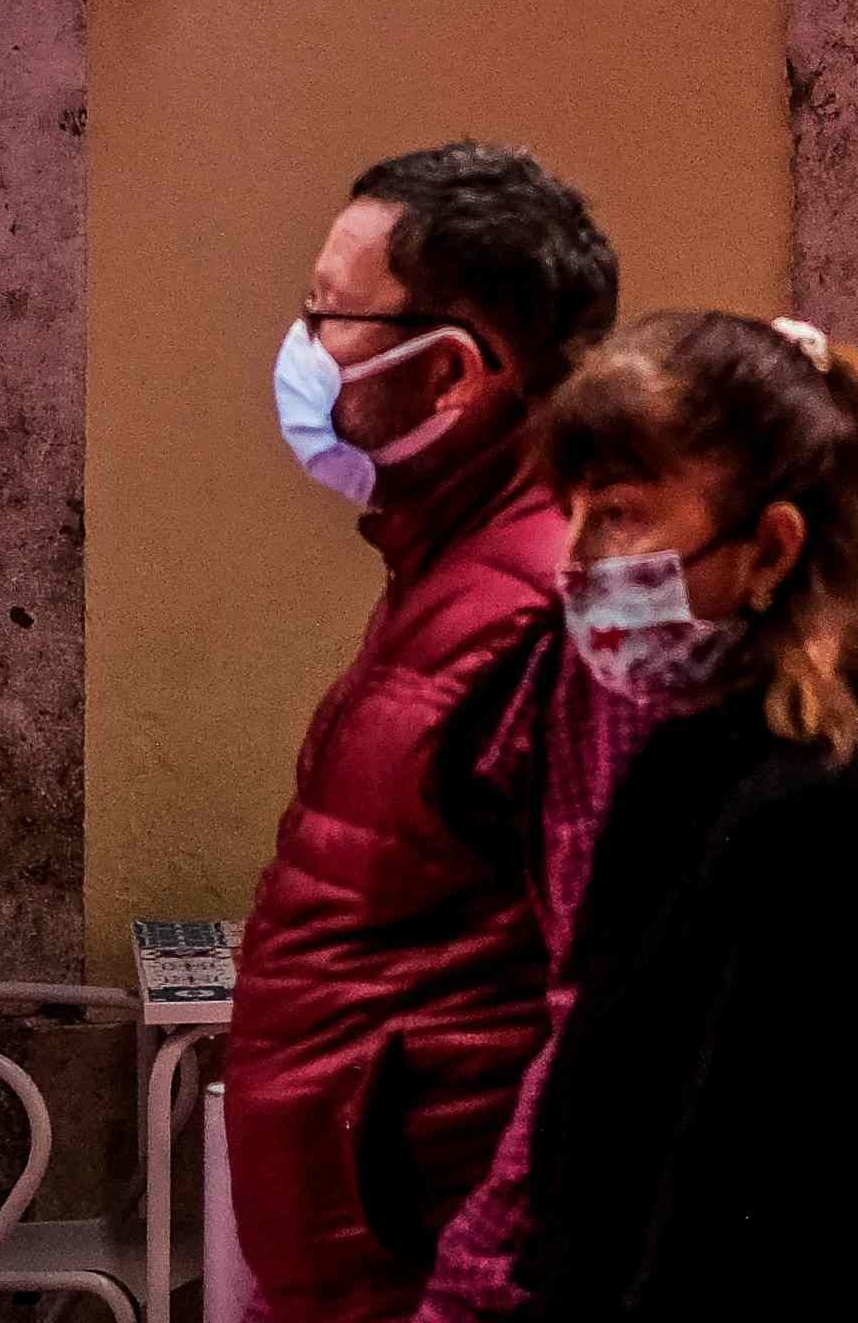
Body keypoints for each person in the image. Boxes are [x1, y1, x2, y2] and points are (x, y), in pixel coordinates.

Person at [494, 310, 858, 1323]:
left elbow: (764, 1231)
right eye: (569, 513)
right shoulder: (705, 768)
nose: (572, 561)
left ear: (768, 550)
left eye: (617, 513)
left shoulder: (819, 824)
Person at [229, 142, 624, 1323]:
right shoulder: (446, 562)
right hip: (361, 1278)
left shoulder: (551, 606)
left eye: (328, 315)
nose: (300, 349)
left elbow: (613, 1017)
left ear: (450, 373)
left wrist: (468, 1296)